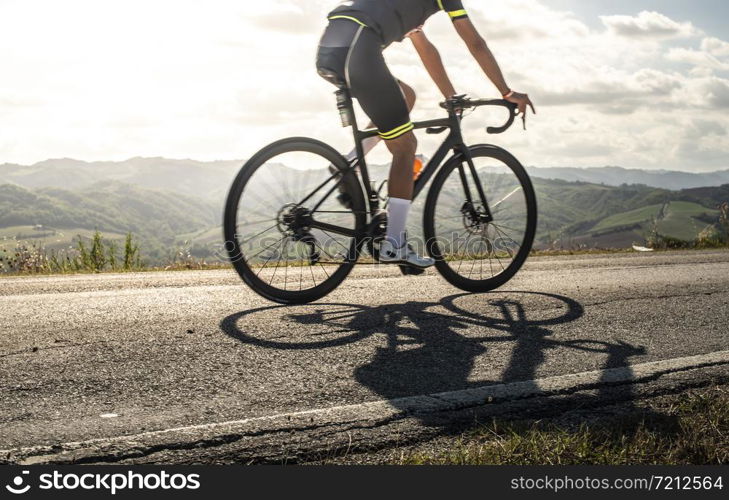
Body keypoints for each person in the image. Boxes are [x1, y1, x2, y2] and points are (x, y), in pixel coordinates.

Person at [316, 0, 535, 269]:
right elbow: (475, 43)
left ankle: (348, 162)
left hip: (331, 49)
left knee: (406, 96)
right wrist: (506, 91)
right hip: (359, 48)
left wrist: (450, 96)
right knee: (405, 147)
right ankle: (393, 243)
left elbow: (426, 50)